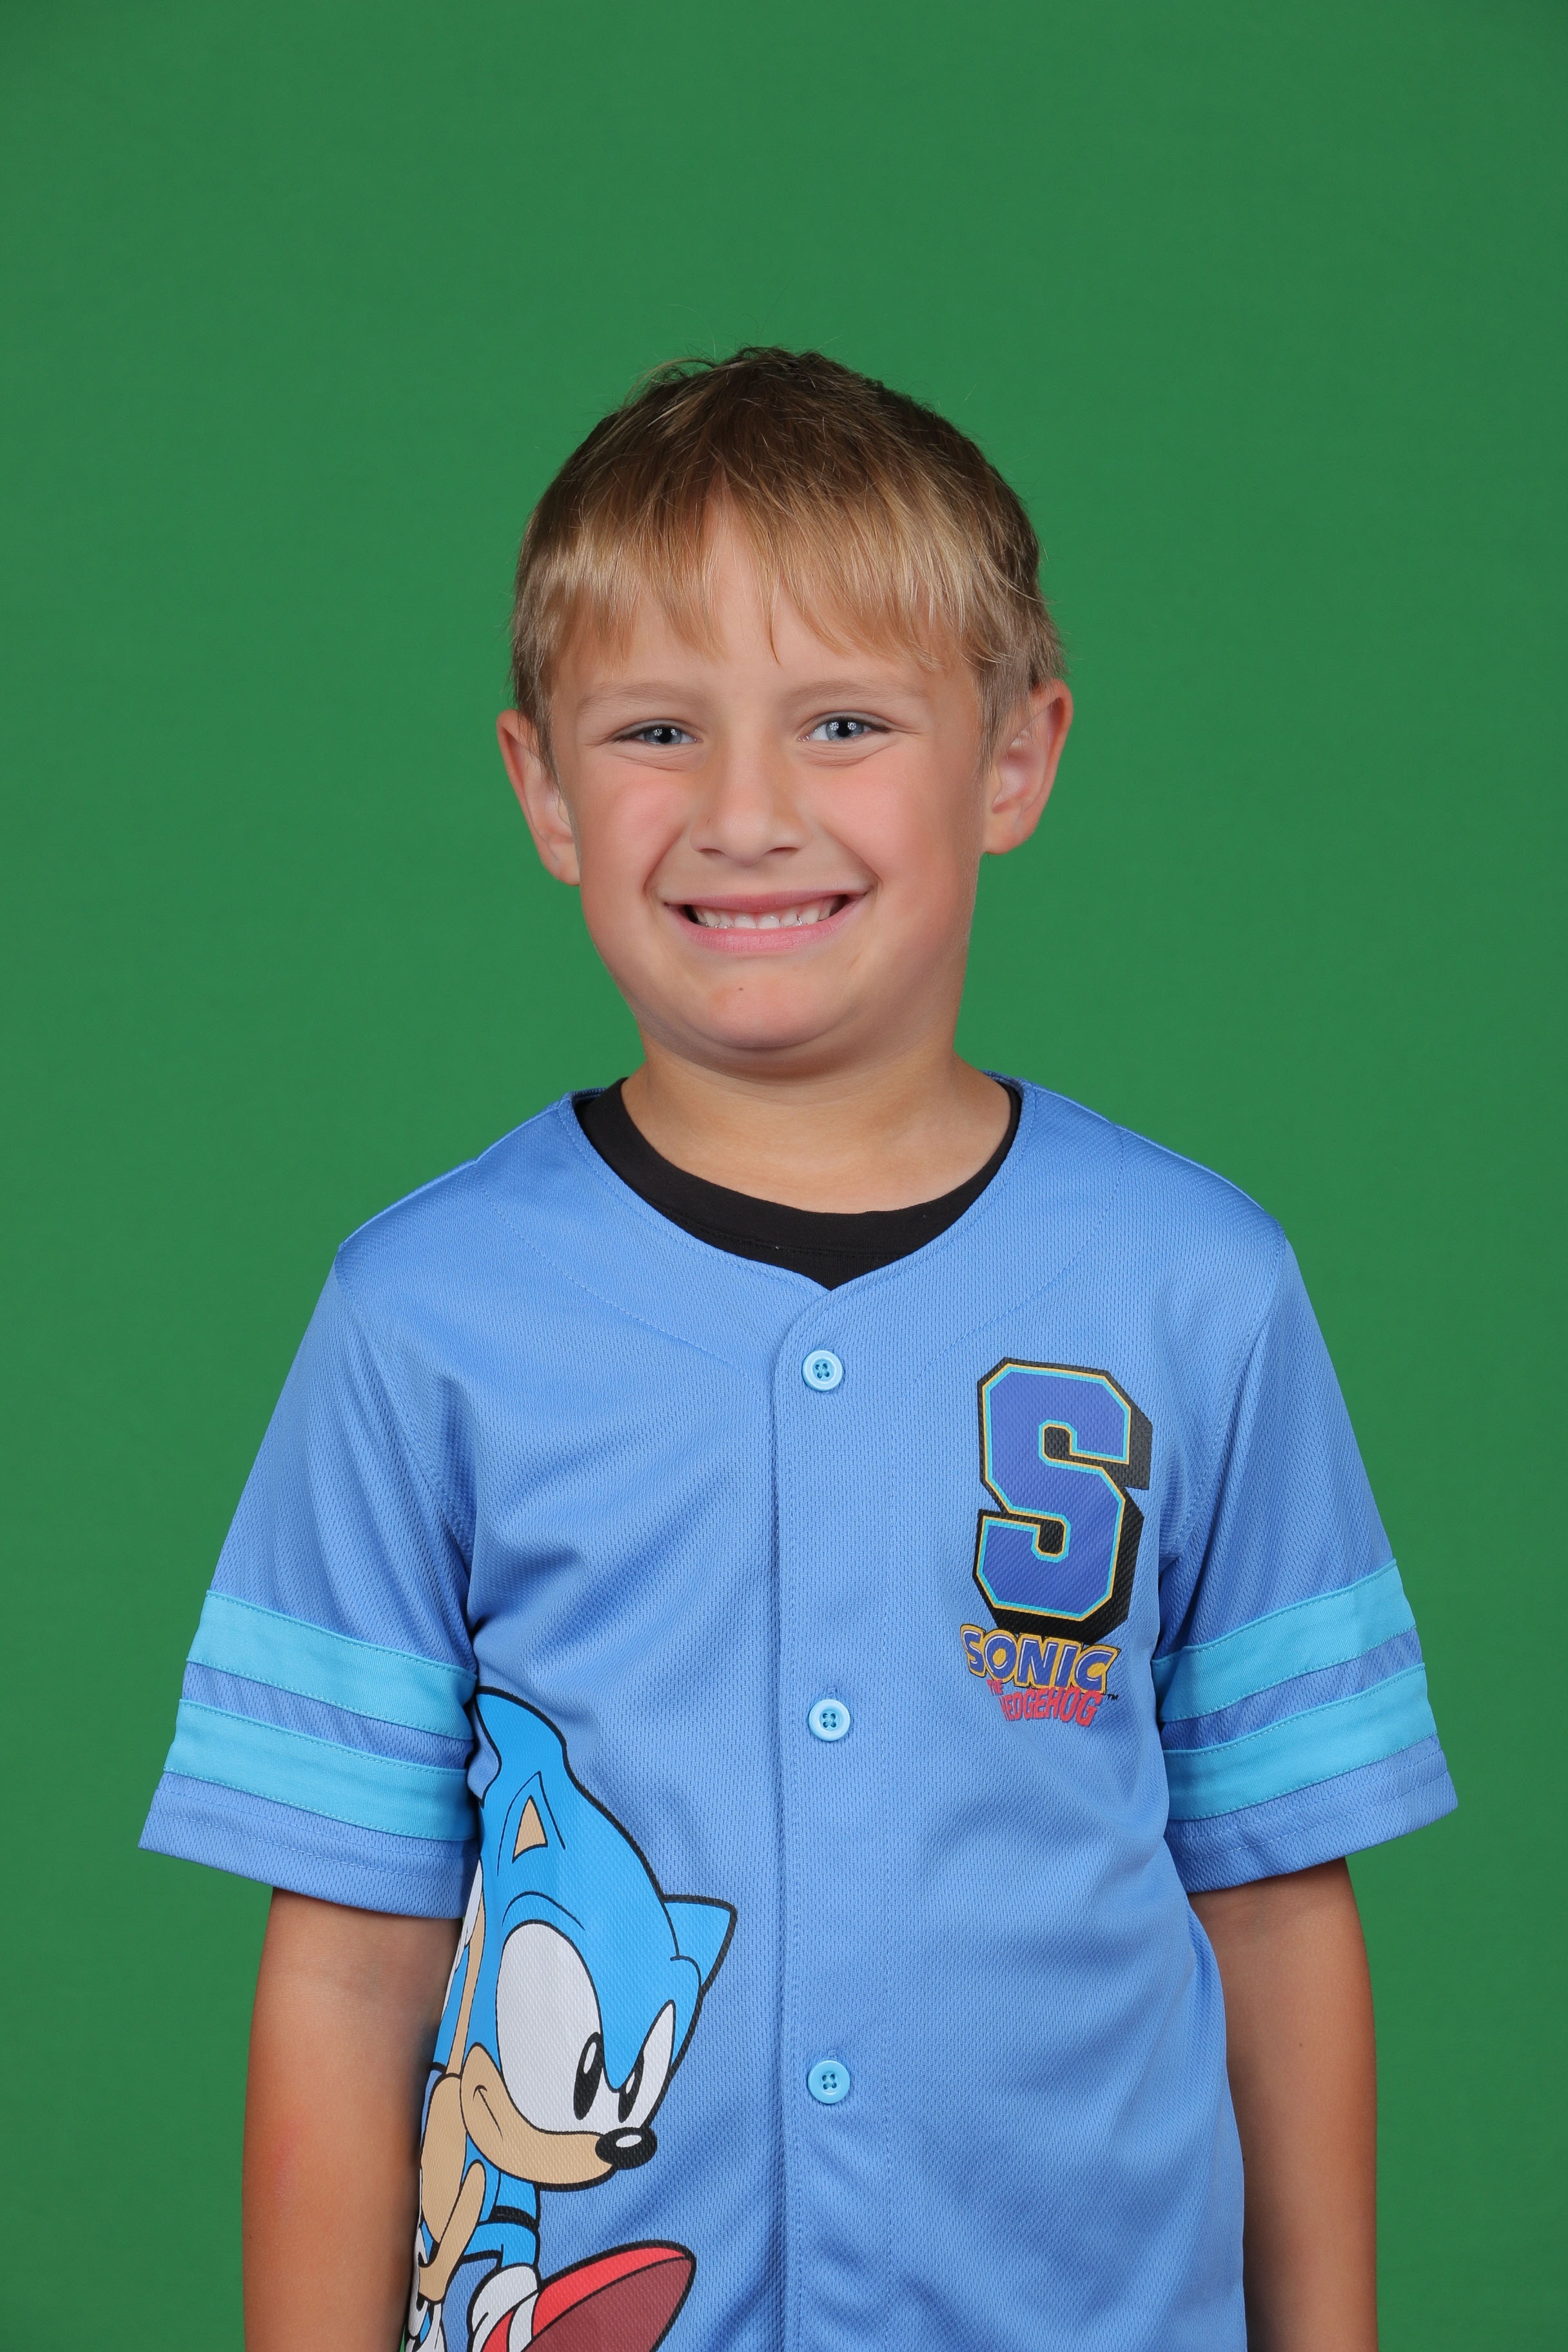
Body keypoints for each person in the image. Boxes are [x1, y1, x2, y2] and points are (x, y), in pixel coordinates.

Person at [141, 348, 1456, 2352]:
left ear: (1015, 758)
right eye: (656, 729)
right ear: (544, 790)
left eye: (844, 722)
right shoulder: (421, 1316)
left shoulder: (1199, 1289)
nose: (746, 814)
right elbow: (345, 1963)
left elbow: (1272, 1901)